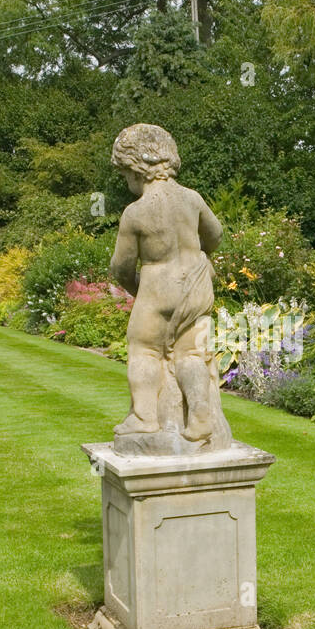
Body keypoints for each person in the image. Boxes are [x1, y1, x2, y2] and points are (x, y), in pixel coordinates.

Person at [108, 124, 223, 444]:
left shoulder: (135, 213)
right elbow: (215, 236)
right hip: (195, 289)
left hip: (157, 291)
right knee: (190, 354)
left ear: (136, 170)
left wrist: (138, 289)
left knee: (143, 348)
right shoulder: (192, 199)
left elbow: (121, 267)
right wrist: (200, 255)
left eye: (124, 174)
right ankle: (200, 414)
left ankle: (145, 417)